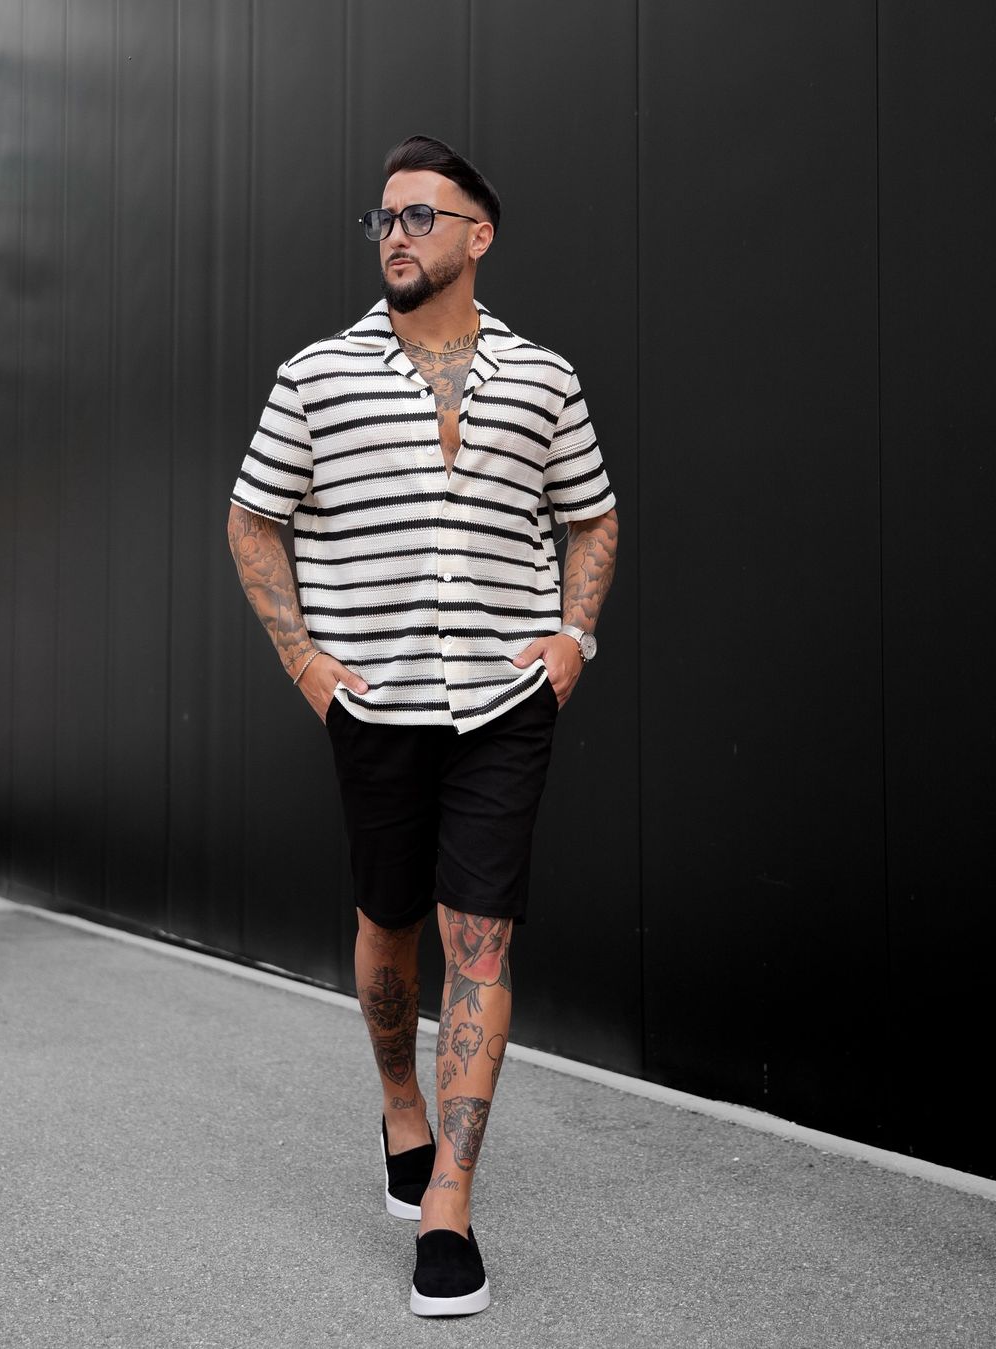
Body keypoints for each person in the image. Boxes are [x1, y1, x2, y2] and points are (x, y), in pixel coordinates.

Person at [227, 134, 618, 1317]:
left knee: (480, 937)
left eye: (419, 216)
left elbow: (592, 516)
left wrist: (572, 638)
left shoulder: (544, 378)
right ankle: (400, 1101)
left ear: (477, 235)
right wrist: (307, 663)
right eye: (382, 218)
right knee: (387, 921)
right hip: (376, 702)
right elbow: (253, 519)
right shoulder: (316, 376)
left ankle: (449, 1198)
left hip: (504, 701)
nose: (394, 234)